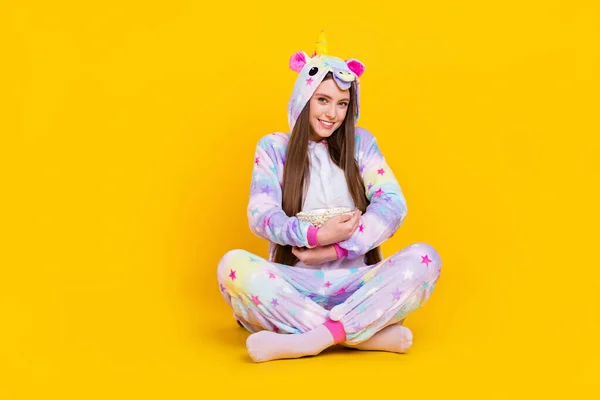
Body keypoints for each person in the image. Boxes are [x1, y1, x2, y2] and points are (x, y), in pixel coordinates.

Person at [216, 31, 442, 363]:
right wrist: (313, 236)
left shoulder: (362, 144)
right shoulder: (273, 147)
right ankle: (361, 337)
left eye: (342, 103)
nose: (332, 114)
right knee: (231, 266)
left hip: (357, 286)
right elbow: (261, 213)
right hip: (295, 287)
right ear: (303, 98)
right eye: (323, 100)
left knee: (425, 258)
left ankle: (310, 341)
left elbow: (392, 203)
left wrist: (335, 248)